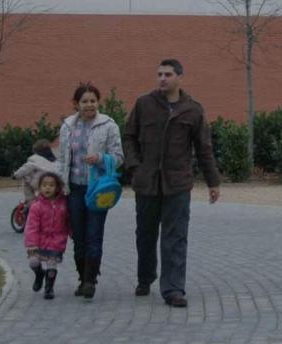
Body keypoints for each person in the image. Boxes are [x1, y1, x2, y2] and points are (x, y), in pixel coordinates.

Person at [123, 58, 221, 308]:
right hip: (147, 183)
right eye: (159, 74)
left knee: (175, 237)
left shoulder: (193, 109)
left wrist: (213, 182)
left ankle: (173, 289)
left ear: (179, 77)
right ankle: (145, 277)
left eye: (167, 74)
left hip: (177, 185)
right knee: (145, 235)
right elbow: (129, 137)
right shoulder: (144, 104)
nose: (162, 78)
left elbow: (204, 149)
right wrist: (136, 167)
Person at [58, 83, 123, 300]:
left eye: (93, 101)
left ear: (98, 102)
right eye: (84, 101)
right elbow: (62, 160)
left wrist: (101, 159)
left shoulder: (108, 125)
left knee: (94, 235)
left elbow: (119, 157)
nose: (89, 105)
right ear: (76, 104)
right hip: (74, 189)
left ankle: (90, 281)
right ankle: (81, 277)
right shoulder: (68, 126)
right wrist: (60, 186)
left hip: (97, 189)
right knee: (78, 237)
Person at [23, 172, 71, 299]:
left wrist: (73, 233)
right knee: (33, 262)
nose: (47, 188)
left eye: (51, 185)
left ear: (57, 188)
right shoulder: (36, 206)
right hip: (39, 241)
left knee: (51, 265)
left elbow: (68, 221)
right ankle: (39, 275)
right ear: (39, 187)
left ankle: (49, 289)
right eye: (44, 185)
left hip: (57, 241)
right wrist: (32, 244)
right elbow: (31, 226)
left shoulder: (63, 205)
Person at [13, 138, 59, 204]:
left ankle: (31, 202)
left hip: (41, 182)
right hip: (55, 183)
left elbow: (25, 169)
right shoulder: (55, 160)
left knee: (26, 181)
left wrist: (16, 175)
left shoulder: (34, 158)